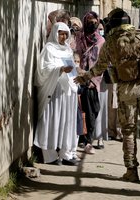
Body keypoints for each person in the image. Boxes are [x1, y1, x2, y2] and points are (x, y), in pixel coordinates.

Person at [74, 8, 140, 183]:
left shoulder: (111, 41)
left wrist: (83, 77)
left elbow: (99, 68)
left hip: (126, 92)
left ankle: (131, 171)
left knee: (129, 131)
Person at [34, 22, 79, 166]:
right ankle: (50, 155)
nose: (63, 36)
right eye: (61, 33)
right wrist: (60, 69)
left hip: (68, 92)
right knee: (52, 120)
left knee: (67, 122)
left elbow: (72, 67)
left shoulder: (67, 49)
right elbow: (43, 69)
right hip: (54, 91)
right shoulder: (48, 49)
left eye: (66, 33)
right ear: (55, 33)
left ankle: (66, 154)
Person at [75, 11, 106, 154]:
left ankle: (88, 138)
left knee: (94, 110)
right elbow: (74, 55)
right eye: (90, 21)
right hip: (78, 79)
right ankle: (85, 141)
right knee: (81, 111)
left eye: (95, 22)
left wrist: (93, 79)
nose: (92, 24)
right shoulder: (78, 38)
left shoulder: (100, 41)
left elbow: (102, 62)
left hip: (93, 81)